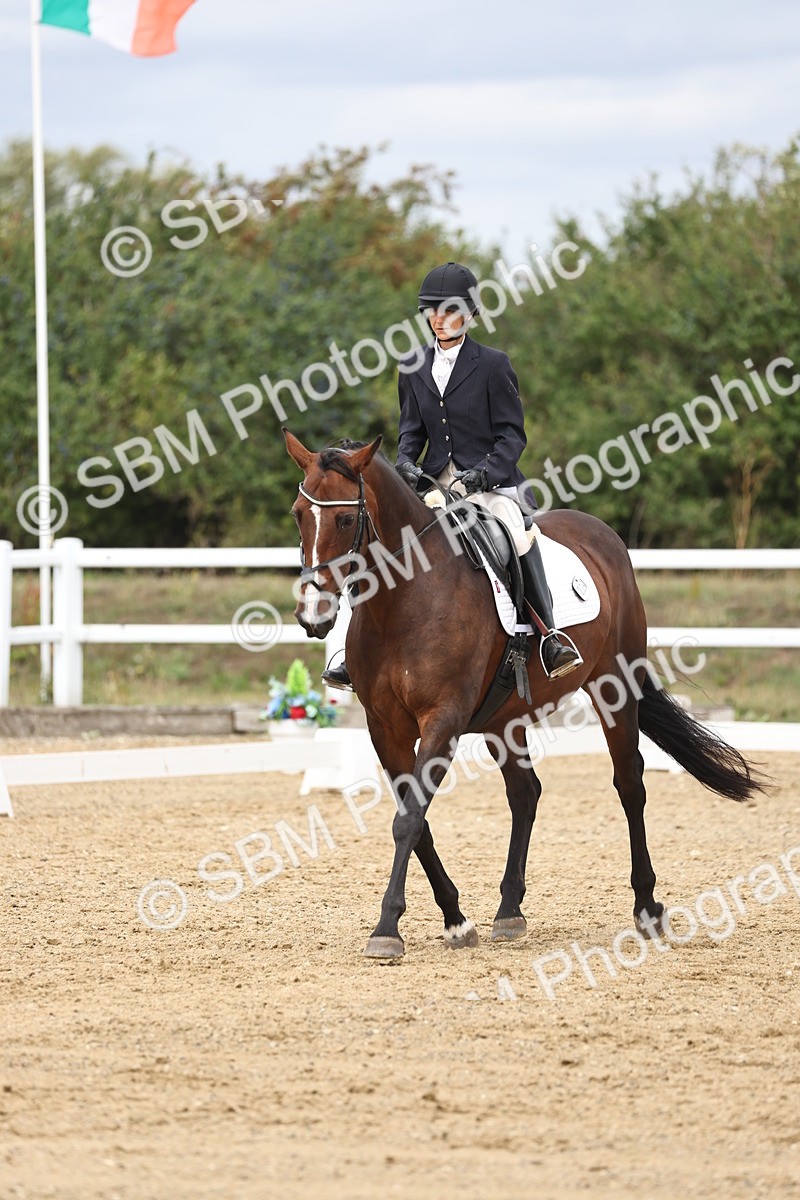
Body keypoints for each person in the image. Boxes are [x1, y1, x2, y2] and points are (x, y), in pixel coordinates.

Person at [322, 261, 581, 691]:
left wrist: (484, 474)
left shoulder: (494, 365)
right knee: (377, 543)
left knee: (516, 534)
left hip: (490, 484)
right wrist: (406, 464)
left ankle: (550, 637)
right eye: (432, 311)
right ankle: (351, 651)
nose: (438, 320)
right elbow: (410, 434)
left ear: (470, 314)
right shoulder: (412, 365)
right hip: (433, 484)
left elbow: (513, 436)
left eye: (449, 311)